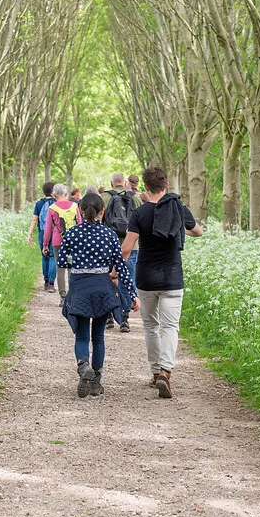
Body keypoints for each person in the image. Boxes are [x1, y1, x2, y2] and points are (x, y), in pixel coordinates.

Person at [121, 166, 203, 399]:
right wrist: (177, 228)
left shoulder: (139, 213)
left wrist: (115, 272)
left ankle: (156, 373)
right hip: (172, 278)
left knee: (150, 326)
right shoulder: (178, 208)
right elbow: (198, 232)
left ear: (145, 188)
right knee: (170, 326)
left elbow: (127, 248)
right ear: (166, 185)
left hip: (146, 277)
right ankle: (166, 370)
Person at [59, 193, 139, 398]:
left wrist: (77, 263)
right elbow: (121, 267)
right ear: (103, 211)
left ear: (80, 211)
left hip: (80, 288)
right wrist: (133, 294)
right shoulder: (110, 234)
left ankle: (83, 365)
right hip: (103, 289)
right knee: (99, 337)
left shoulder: (72, 233)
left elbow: (61, 262)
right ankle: (96, 382)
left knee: (83, 335)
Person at [101, 172, 142, 333]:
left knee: (107, 279)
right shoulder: (135, 198)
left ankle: (109, 315)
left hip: (107, 246)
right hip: (132, 246)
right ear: (124, 183)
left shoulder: (103, 198)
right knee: (128, 280)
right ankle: (124, 318)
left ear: (111, 184)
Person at [42, 184, 82, 303]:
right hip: (74, 240)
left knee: (60, 268)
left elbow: (48, 228)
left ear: (54, 195)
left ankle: (63, 297)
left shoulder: (52, 208)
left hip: (58, 240)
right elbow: (79, 224)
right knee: (72, 268)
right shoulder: (75, 206)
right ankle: (72, 296)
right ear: (66, 194)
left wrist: (45, 244)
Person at [27, 181, 57, 292]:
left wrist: (29, 233)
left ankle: (45, 281)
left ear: (44, 191)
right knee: (53, 256)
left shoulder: (39, 204)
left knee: (44, 255)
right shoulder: (56, 202)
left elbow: (35, 219)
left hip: (42, 232)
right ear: (53, 191)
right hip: (54, 232)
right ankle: (51, 284)